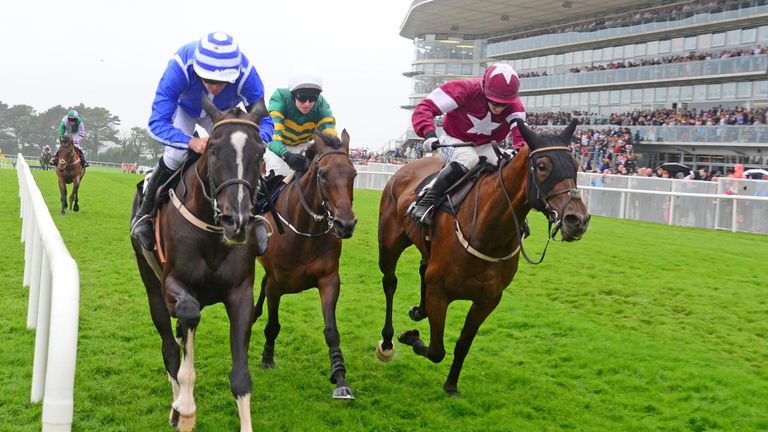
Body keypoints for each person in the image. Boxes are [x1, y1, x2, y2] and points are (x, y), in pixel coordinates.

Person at [130, 31, 274, 250]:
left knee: (242, 155)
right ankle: (145, 215)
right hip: (185, 110)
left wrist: (252, 142)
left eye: (222, 81)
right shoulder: (179, 67)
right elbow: (157, 123)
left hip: (223, 114)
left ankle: (258, 216)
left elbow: (266, 123)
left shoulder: (247, 74)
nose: (214, 86)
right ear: (197, 69)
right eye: (208, 79)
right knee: (176, 155)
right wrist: (191, 142)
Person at [409, 63, 527, 224]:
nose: (500, 107)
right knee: (468, 158)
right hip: (453, 140)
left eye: (504, 103)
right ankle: (425, 202)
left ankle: (511, 214)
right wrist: (429, 134)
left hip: (485, 145)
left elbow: (521, 133)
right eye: (495, 102)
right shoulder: (464, 89)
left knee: (507, 166)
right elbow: (426, 107)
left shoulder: (515, 106)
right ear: (485, 89)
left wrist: (518, 149)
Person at [264, 68, 336, 177]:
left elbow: (330, 136)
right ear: (293, 94)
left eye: (312, 98)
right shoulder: (280, 98)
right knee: (279, 173)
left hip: (303, 145)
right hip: (278, 144)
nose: (307, 104)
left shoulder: (322, 106)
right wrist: (286, 155)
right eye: (302, 98)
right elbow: (273, 137)